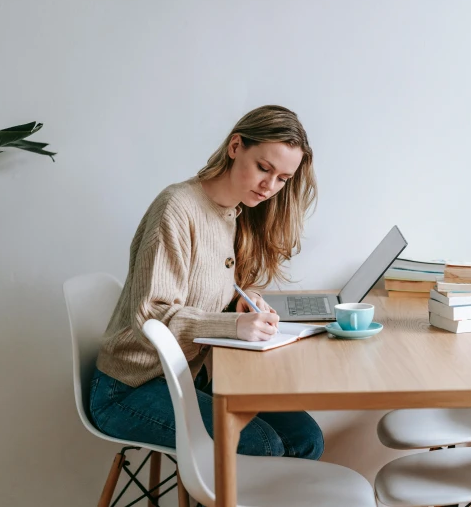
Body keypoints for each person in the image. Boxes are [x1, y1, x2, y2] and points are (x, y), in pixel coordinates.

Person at [89, 105, 323, 460]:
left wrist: (240, 303)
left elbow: (202, 289)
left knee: (306, 437)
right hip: (129, 388)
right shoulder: (177, 209)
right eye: (264, 168)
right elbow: (151, 316)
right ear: (235, 147)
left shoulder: (233, 212)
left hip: (188, 377)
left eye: (283, 179)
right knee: (261, 444)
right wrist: (233, 324)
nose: (270, 186)